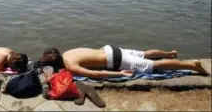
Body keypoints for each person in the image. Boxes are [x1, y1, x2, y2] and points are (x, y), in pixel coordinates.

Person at [62, 45, 209, 78]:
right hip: (109, 49)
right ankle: (170, 54)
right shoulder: (67, 53)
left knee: (154, 65)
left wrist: (120, 74)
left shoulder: (69, 66)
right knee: (144, 54)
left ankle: (192, 65)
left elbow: (94, 74)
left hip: (115, 59)